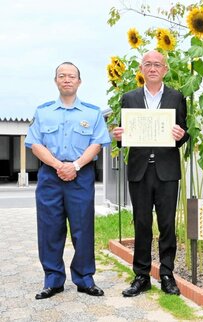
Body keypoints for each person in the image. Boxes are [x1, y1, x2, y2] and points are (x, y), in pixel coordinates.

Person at [25, 62, 111, 300]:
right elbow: (35, 144)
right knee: (50, 228)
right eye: (61, 76)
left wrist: (74, 166)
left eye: (71, 76)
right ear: (56, 81)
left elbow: (97, 144)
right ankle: (53, 280)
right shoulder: (43, 112)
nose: (66, 79)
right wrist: (58, 165)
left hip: (80, 175)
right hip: (50, 176)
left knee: (83, 228)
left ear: (79, 82)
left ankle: (84, 279)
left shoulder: (92, 113)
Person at [112, 50, 189, 297]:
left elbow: (183, 131)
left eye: (158, 64)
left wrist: (182, 136)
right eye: (148, 64)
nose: (153, 68)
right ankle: (141, 276)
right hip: (140, 170)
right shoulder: (129, 98)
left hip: (166, 170)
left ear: (165, 69)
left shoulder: (177, 97)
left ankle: (167, 274)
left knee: (167, 224)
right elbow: (125, 135)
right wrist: (119, 137)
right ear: (141, 69)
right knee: (142, 223)